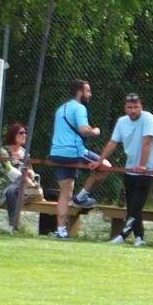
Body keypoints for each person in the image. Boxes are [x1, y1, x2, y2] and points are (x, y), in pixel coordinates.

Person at [98, 94, 153, 246]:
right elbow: (113, 142)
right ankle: (140, 238)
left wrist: (143, 165)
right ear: (125, 108)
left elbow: (147, 143)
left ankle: (123, 235)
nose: (133, 110)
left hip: (148, 170)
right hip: (130, 168)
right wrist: (99, 160)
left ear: (141, 106)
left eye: (136, 107)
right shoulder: (122, 122)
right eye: (129, 107)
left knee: (136, 204)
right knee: (132, 205)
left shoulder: (148, 119)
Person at [51, 79, 105, 239]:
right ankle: (81, 197)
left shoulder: (60, 109)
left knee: (65, 193)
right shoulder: (80, 108)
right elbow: (83, 129)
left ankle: (60, 231)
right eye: (88, 91)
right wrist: (95, 131)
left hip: (56, 152)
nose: (90, 94)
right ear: (80, 92)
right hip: (74, 151)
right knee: (106, 166)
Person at [0, 123, 40, 231]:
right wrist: (27, 179)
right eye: (21, 133)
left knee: (12, 191)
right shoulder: (3, 151)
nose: (25, 135)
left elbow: (31, 170)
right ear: (13, 135)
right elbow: (9, 169)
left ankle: (12, 226)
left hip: (17, 185)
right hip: (1, 182)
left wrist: (31, 174)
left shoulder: (26, 153)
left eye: (25, 133)